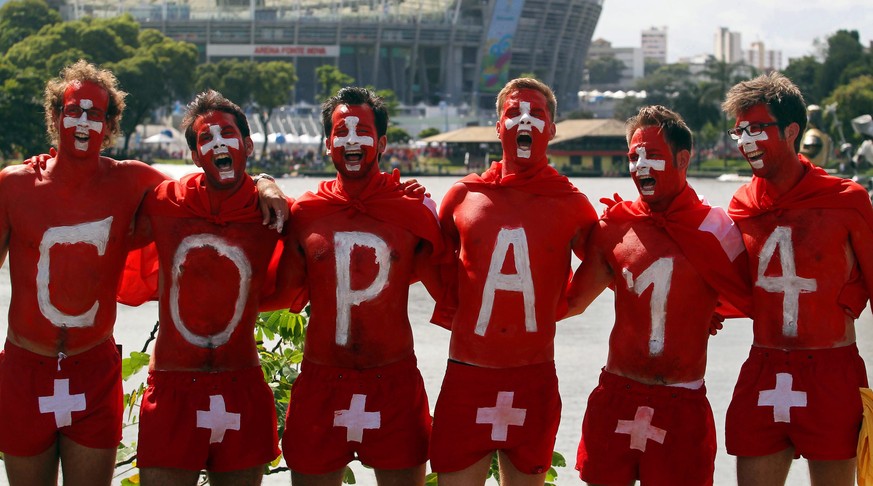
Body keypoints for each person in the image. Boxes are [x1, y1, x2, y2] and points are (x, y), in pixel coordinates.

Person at [0, 60, 287, 486]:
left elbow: (207, 184)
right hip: (24, 366)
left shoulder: (132, 180)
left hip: (92, 369)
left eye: (94, 114)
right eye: (73, 110)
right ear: (55, 117)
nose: (82, 122)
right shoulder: (14, 185)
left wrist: (266, 181)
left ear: (110, 125)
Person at [565, 105, 753, 485]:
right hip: (617, 392)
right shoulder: (616, 225)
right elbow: (571, 302)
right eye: (634, 157)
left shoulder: (716, 227)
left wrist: (704, 311)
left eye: (653, 155)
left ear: (683, 159)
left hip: (680, 401)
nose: (641, 166)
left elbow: (755, 298)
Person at [267, 86, 445, 486]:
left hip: (393, 381)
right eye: (340, 132)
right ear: (328, 142)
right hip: (322, 381)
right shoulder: (306, 212)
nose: (351, 140)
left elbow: (454, 285)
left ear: (381, 142)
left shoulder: (409, 211)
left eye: (362, 131)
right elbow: (277, 292)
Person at [428, 77, 598, 485]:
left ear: (553, 130)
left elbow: (610, 262)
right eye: (514, 113)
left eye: (537, 114)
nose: (525, 120)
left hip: (533, 375)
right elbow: (429, 260)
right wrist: (459, 306)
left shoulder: (571, 204)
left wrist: (562, 306)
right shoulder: (463, 195)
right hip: (467, 373)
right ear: (498, 126)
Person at [121, 90, 289, 485]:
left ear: (248, 144)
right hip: (173, 387)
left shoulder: (273, 213)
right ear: (196, 157)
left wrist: (266, 183)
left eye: (227, 134)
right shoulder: (167, 202)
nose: (218, 144)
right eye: (205, 140)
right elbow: (96, 195)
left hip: (241, 383)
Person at [723, 72, 873, 486]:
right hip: (764, 364)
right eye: (739, 131)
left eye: (757, 128)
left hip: (831, 369)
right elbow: (725, 278)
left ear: (791, 130)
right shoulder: (741, 204)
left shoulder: (847, 200)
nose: (746, 141)